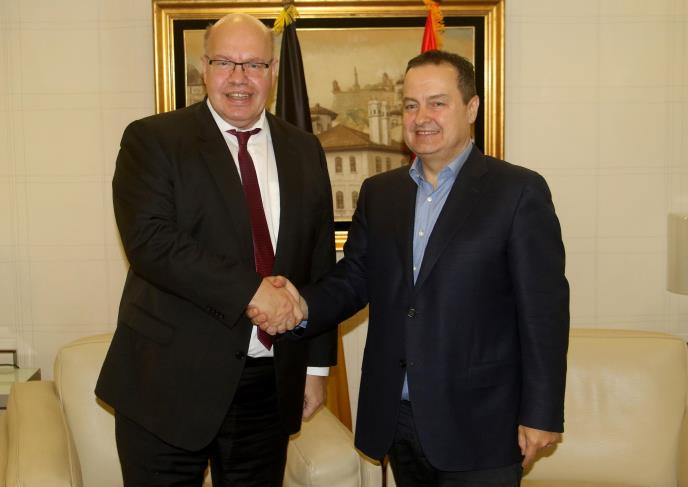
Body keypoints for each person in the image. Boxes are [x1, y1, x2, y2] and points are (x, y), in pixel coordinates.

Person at [251, 50, 570, 486]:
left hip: (482, 421)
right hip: (398, 419)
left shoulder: (517, 192)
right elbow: (355, 278)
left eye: (438, 103)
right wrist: (299, 305)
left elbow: (544, 313)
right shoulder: (381, 193)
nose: (422, 118)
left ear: (471, 108)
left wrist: (541, 412)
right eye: (411, 105)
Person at [95, 13, 337, 487]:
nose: (239, 78)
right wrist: (252, 291)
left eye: (254, 64)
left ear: (272, 71)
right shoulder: (153, 140)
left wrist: (315, 366)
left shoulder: (304, 148)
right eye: (225, 62)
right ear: (204, 68)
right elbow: (151, 243)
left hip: (267, 387)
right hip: (167, 384)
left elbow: (318, 261)